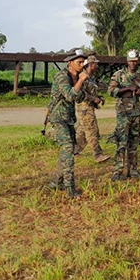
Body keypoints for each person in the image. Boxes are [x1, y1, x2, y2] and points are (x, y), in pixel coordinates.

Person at [46, 49, 88, 198]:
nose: (82, 65)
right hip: (58, 118)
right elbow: (70, 96)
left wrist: (79, 82)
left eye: (83, 62)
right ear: (70, 62)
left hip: (68, 118)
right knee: (68, 147)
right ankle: (70, 187)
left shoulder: (75, 77)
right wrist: (81, 81)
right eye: (79, 62)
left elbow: (80, 96)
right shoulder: (62, 76)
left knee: (67, 151)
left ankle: (55, 181)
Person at [108, 50, 140, 181]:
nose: (133, 63)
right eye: (131, 61)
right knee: (121, 143)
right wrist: (128, 89)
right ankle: (118, 171)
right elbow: (111, 91)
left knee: (134, 142)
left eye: (135, 61)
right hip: (123, 113)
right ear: (127, 61)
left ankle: (133, 170)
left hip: (136, 112)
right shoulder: (118, 75)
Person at [74, 56, 110, 163]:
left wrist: (98, 98)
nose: (97, 66)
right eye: (95, 64)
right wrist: (93, 99)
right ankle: (98, 154)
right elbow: (80, 93)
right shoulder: (82, 77)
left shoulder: (91, 78)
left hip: (88, 107)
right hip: (84, 108)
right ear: (90, 65)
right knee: (92, 130)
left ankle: (74, 151)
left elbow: (91, 92)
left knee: (82, 132)